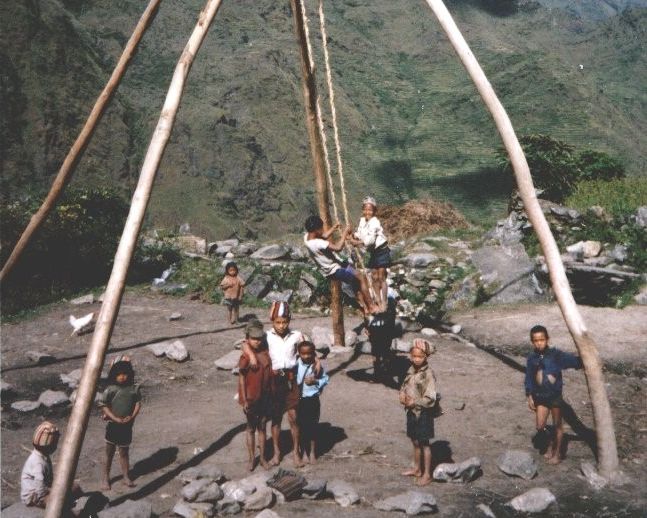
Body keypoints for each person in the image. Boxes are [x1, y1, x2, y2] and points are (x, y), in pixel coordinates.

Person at [525, 324, 582, 464]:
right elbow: (529, 378)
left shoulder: (556, 355)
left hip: (555, 396)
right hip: (540, 397)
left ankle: (557, 454)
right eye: (536, 340)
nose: (539, 343)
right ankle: (551, 441)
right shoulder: (532, 358)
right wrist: (529, 395)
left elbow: (573, 361)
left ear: (547, 339)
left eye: (542, 339)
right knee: (540, 426)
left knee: (557, 425)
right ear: (532, 341)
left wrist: (584, 360)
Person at [303, 215, 380, 316]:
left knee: (356, 281)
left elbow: (324, 236)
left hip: (335, 267)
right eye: (321, 228)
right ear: (316, 230)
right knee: (361, 277)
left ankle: (365, 307)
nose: (323, 230)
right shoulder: (318, 243)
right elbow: (338, 247)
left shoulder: (307, 237)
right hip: (336, 270)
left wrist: (334, 228)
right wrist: (344, 232)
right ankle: (371, 306)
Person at [99, 355, 142, 490]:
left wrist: (132, 416)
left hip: (127, 426)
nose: (122, 377)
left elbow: (137, 403)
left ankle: (125, 476)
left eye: (125, 374)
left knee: (124, 452)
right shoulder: (111, 389)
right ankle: (106, 478)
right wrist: (113, 417)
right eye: (119, 374)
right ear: (113, 375)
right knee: (109, 453)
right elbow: (103, 405)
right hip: (113, 425)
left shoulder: (133, 389)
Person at [21, 421, 83, 512]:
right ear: (49, 446)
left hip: (44, 488)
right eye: (55, 444)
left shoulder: (43, 456)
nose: (56, 447)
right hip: (34, 496)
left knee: (75, 487)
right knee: (60, 501)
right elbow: (40, 487)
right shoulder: (38, 463)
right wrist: (54, 491)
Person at [399, 338, 437, 486]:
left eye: (420, 357)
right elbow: (405, 384)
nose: (416, 359)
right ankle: (417, 468)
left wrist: (414, 402)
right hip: (411, 411)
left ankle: (427, 474)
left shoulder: (428, 374)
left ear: (426, 357)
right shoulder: (411, 370)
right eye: (414, 356)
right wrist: (402, 394)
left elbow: (430, 398)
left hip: (423, 413)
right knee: (415, 441)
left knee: (424, 443)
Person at [237, 319, 272, 471]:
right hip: (251, 398)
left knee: (263, 427)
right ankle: (252, 458)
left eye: (259, 338)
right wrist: (244, 399)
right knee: (251, 428)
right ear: (248, 339)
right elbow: (242, 379)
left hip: (265, 397)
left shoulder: (265, 351)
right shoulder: (245, 357)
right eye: (254, 339)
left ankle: (263, 458)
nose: (257, 341)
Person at [347, 196, 391, 311]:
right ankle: (378, 300)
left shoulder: (375, 222)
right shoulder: (362, 221)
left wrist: (356, 242)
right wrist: (353, 236)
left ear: (374, 211)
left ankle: (384, 302)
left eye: (370, 210)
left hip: (382, 250)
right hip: (373, 252)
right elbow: (360, 234)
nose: (368, 212)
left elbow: (370, 241)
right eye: (366, 210)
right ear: (363, 210)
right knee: (374, 276)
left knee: (381, 276)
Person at [296, 341, 329, 464]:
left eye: (309, 353)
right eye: (303, 354)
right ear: (299, 353)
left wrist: (315, 382)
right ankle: (304, 452)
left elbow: (326, 379)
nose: (306, 356)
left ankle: (312, 452)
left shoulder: (316, 366)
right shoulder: (296, 365)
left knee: (313, 427)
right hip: (300, 400)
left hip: (313, 399)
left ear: (313, 353)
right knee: (302, 428)